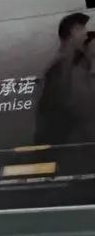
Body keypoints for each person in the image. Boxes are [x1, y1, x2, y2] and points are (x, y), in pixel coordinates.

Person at [36, 12, 95, 144]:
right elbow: (71, 105)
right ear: (73, 31)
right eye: (82, 29)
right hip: (64, 140)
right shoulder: (60, 67)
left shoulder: (68, 65)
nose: (86, 35)